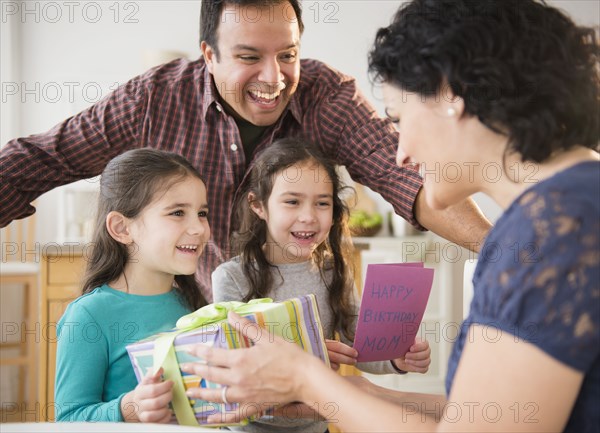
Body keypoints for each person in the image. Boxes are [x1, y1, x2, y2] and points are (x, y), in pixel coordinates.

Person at [180, 0, 600, 431]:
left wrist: (307, 379)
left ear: (448, 93)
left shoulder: (548, 230)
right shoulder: (575, 205)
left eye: (399, 119)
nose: (402, 154)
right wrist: (359, 394)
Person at [0, 0, 492, 302]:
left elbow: (407, 177)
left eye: (288, 55)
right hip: (185, 326)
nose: (274, 80)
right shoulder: (151, 101)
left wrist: (502, 250)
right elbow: (42, 159)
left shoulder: (328, 96)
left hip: (297, 326)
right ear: (209, 55)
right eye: (249, 57)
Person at [212, 137, 431, 432]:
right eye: (292, 201)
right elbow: (233, 368)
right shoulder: (231, 277)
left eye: (322, 203)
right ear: (258, 205)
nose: (308, 217)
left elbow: (359, 348)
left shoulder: (333, 271)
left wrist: (396, 359)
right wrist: (312, 357)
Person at [54, 148, 210, 423]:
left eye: (202, 213)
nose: (199, 228)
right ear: (122, 229)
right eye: (177, 212)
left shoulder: (195, 305)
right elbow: (69, 418)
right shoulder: (89, 316)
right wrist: (128, 407)